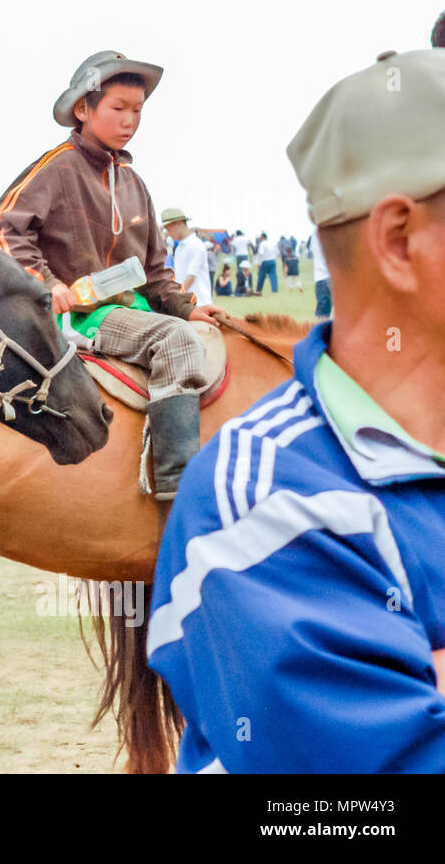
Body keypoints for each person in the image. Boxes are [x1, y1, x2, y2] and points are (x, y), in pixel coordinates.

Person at [148, 48, 445, 772]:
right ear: (400, 241)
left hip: (169, 301)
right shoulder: (261, 494)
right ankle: (167, 464)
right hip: (105, 312)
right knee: (169, 357)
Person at [0, 50, 226, 503]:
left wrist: (189, 308)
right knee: (177, 342)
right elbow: (1, 229)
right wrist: (46, 284)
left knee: (209, 336)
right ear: (83, 109)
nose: (130, 120)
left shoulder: (135, 184)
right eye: (118, 108)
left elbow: (155, 269)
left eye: (138, 111)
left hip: (132, 311)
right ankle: (178, 490)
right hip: (81, 318)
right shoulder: (55, 168)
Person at [162, 207, 213, 308]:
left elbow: (191, 278)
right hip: (186, 303)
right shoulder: (180, 247)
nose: (168, 233)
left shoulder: (196, 245)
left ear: (179, 223)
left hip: (199, 304)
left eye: (169, 229)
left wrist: (175, 299)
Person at [313, 230, 331, 319]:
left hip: (320, 278)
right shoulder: (330, 230)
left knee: (322, 313)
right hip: (332, 277)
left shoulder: (314, 233)